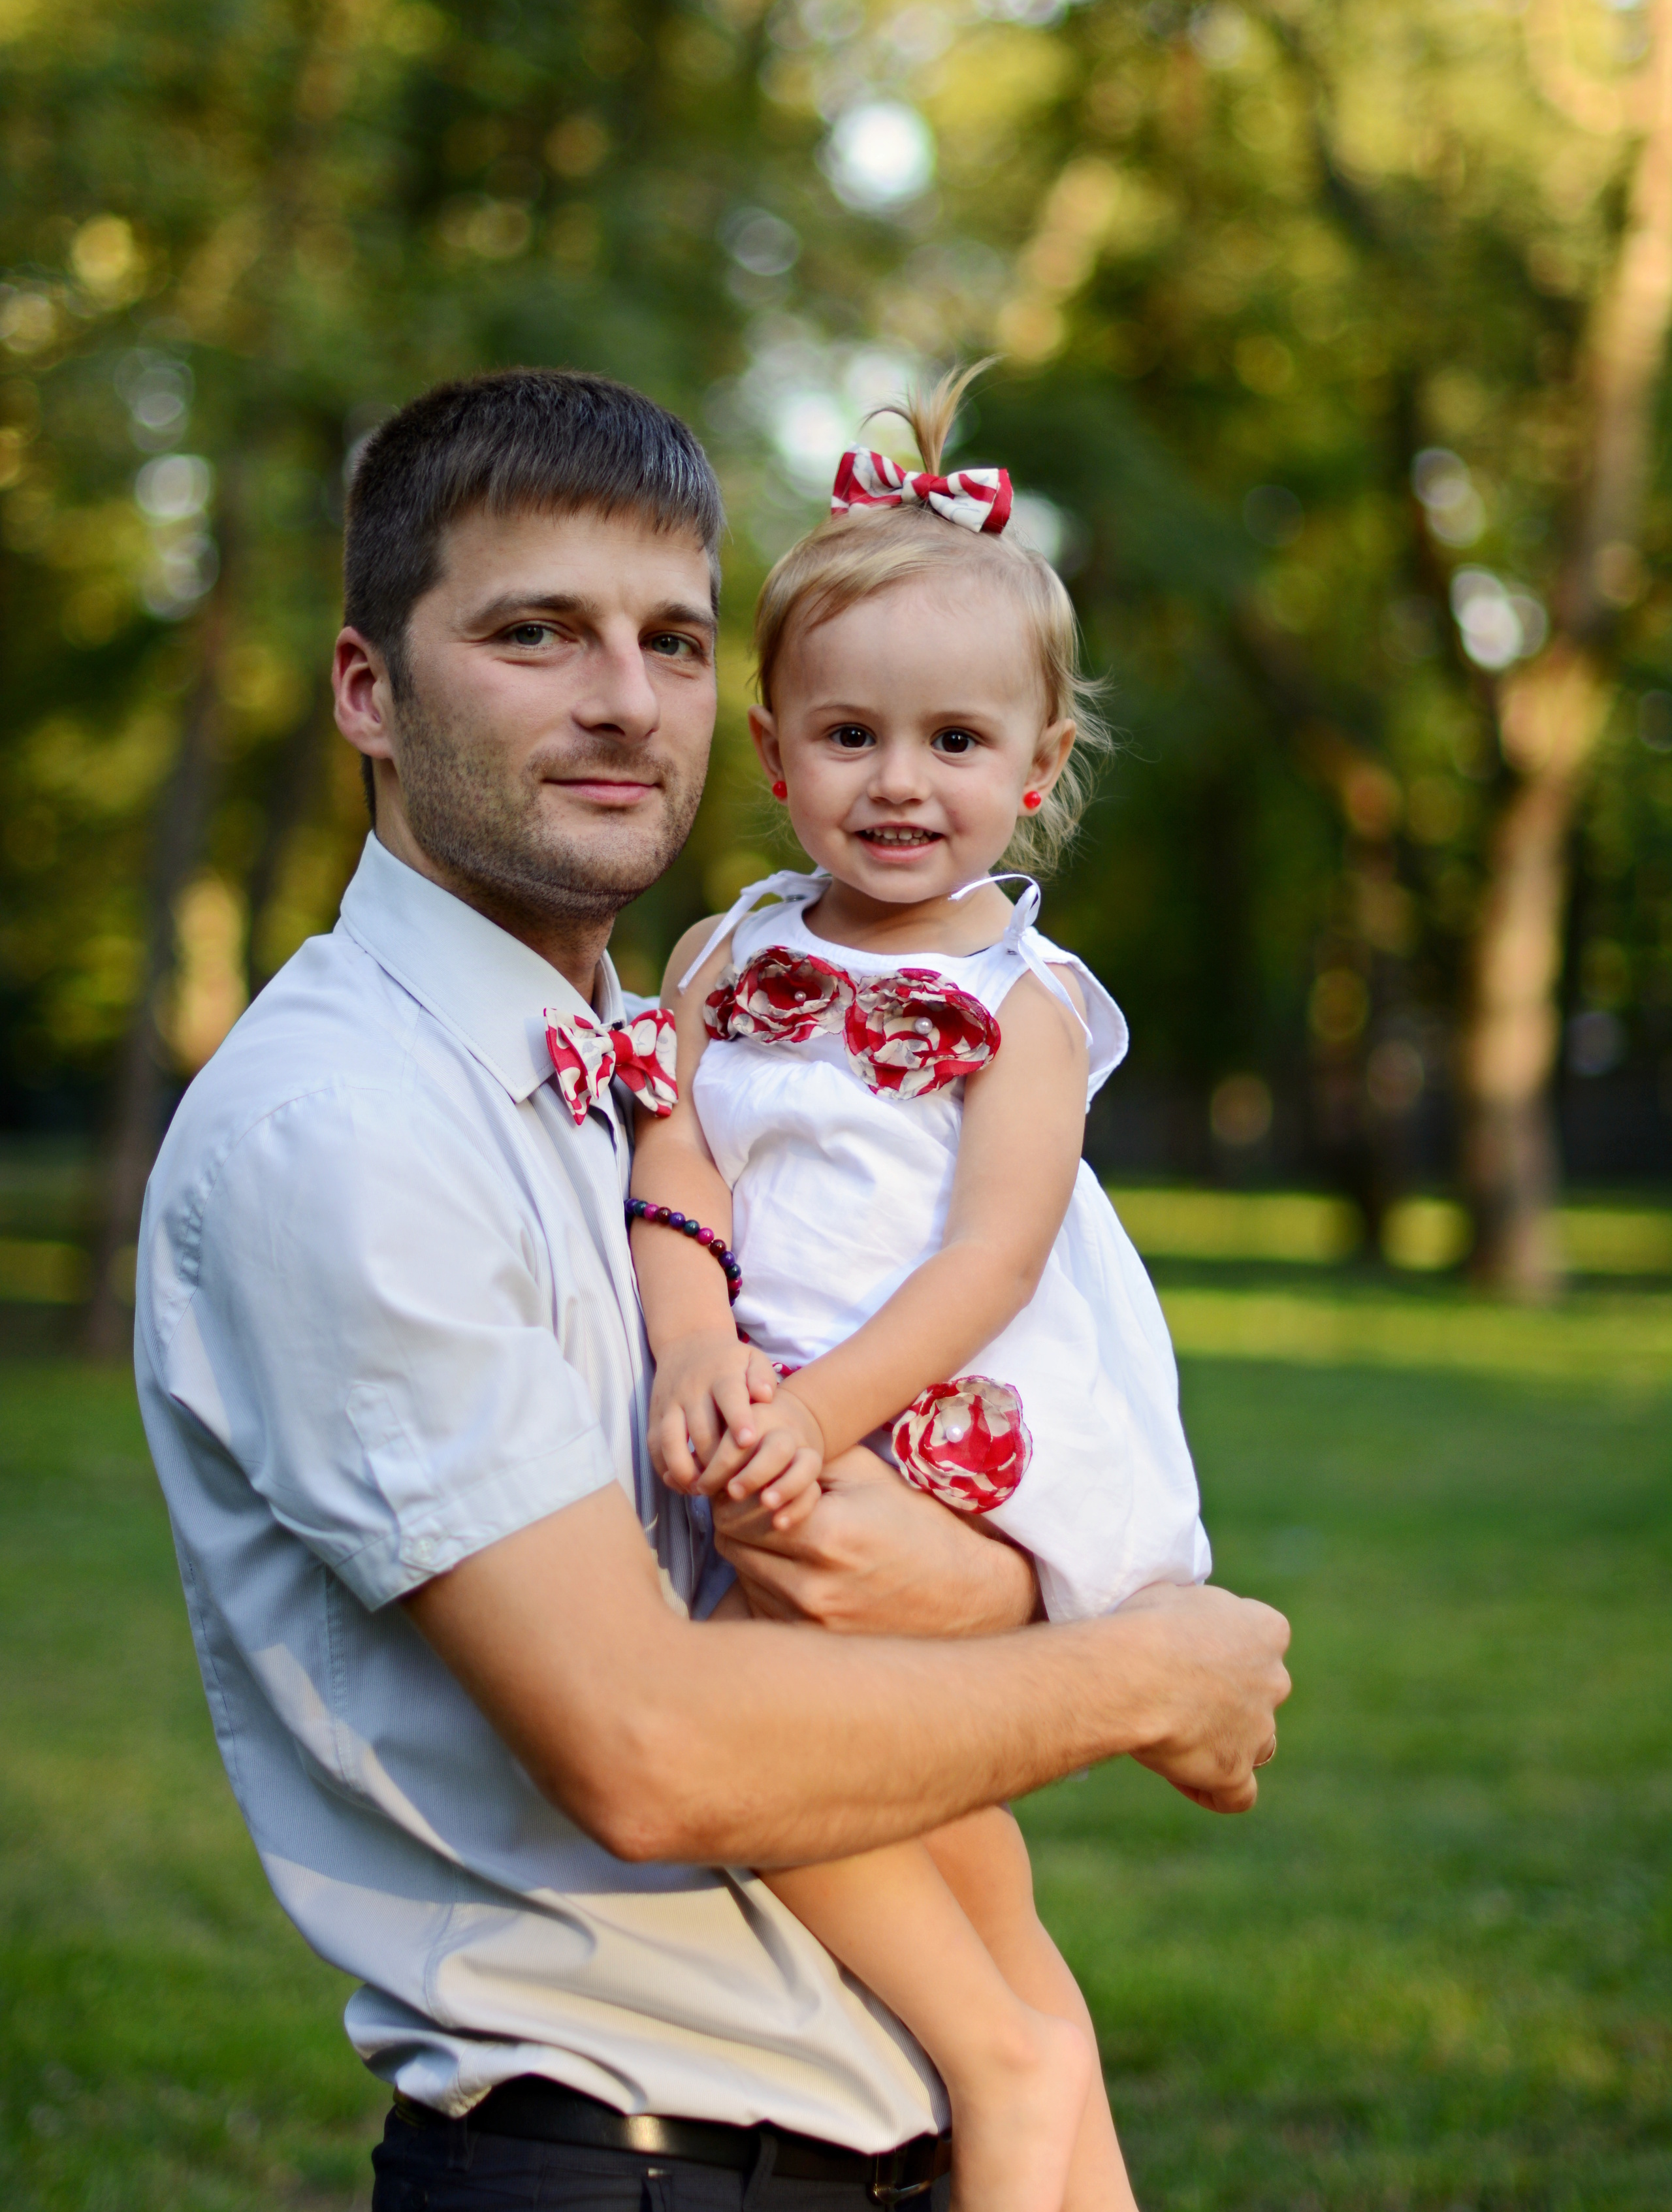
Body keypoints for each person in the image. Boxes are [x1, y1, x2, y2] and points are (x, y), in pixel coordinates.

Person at [133, 367, 1291, 2212]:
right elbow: (650, 1744)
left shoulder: (661, 1063)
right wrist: (1143, 1673)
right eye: (535, 632)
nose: (620, 698)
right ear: (367, 686)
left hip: (875, 2121)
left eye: (670, 638)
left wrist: (982, 1575)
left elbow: (859, 1473)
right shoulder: (344, 1129)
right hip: (641, 2162)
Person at [628, 368, 1208, 2212]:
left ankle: (992, 2065)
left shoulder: (1028, 1006)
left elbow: (994, 1254)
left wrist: (815, 1414)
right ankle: (1047, 2084)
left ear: (1036, 773)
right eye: (853, 737)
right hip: (752, 1383)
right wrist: (700, 1346)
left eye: (957, 743)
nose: (902, 782)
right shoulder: (728, 943)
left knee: (767, 1700)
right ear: (774, 748)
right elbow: (673, 1156)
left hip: (916, 1416)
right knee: (960, 1839)